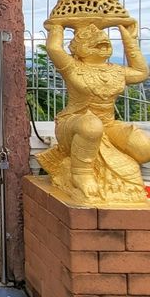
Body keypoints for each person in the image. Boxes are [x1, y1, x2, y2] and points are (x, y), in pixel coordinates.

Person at [43, 17, 150, 201]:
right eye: (90, 39)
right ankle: (81, 173)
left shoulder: (116, 71)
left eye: (104, 41)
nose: (101, 40)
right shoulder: (73, 67)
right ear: (77, 49)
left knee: (143, 147)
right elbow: (54, 48)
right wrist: (57, 26)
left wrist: (129, 39)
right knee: (91, 125)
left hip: (108, 124)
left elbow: (141, 72)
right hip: (74, 123)